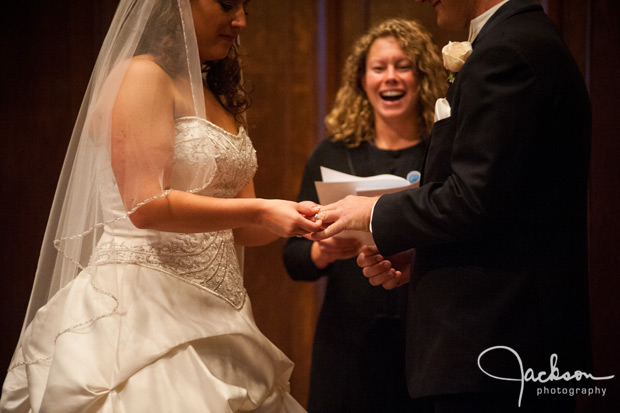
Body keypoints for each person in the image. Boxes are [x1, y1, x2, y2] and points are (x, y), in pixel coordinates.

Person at [0, 0, 323, 411]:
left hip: (221, 310)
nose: (240, 21)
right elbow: (146, 204)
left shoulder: (214, 92)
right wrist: (262, 211)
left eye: (245, 7)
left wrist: (307, 221)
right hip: (141, 309)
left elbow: (243, 226)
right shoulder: (141, 75)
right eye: (227, 4)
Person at [312, 0, 592, 411]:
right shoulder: (523, 40)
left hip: (495, 345)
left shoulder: (507, 51)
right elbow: (504, 203)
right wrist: (423, 253)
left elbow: (473, 196)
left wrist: (371, 212)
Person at [282, 18, 446, 412]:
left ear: (421, 76)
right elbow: (293, 258)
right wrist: (322, 252)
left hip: (424, 341)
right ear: (362, 80)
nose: (391, 77)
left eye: (403, 66)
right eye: (379, 67)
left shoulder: (442, 151)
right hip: (347, 345)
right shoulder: (333, 155)